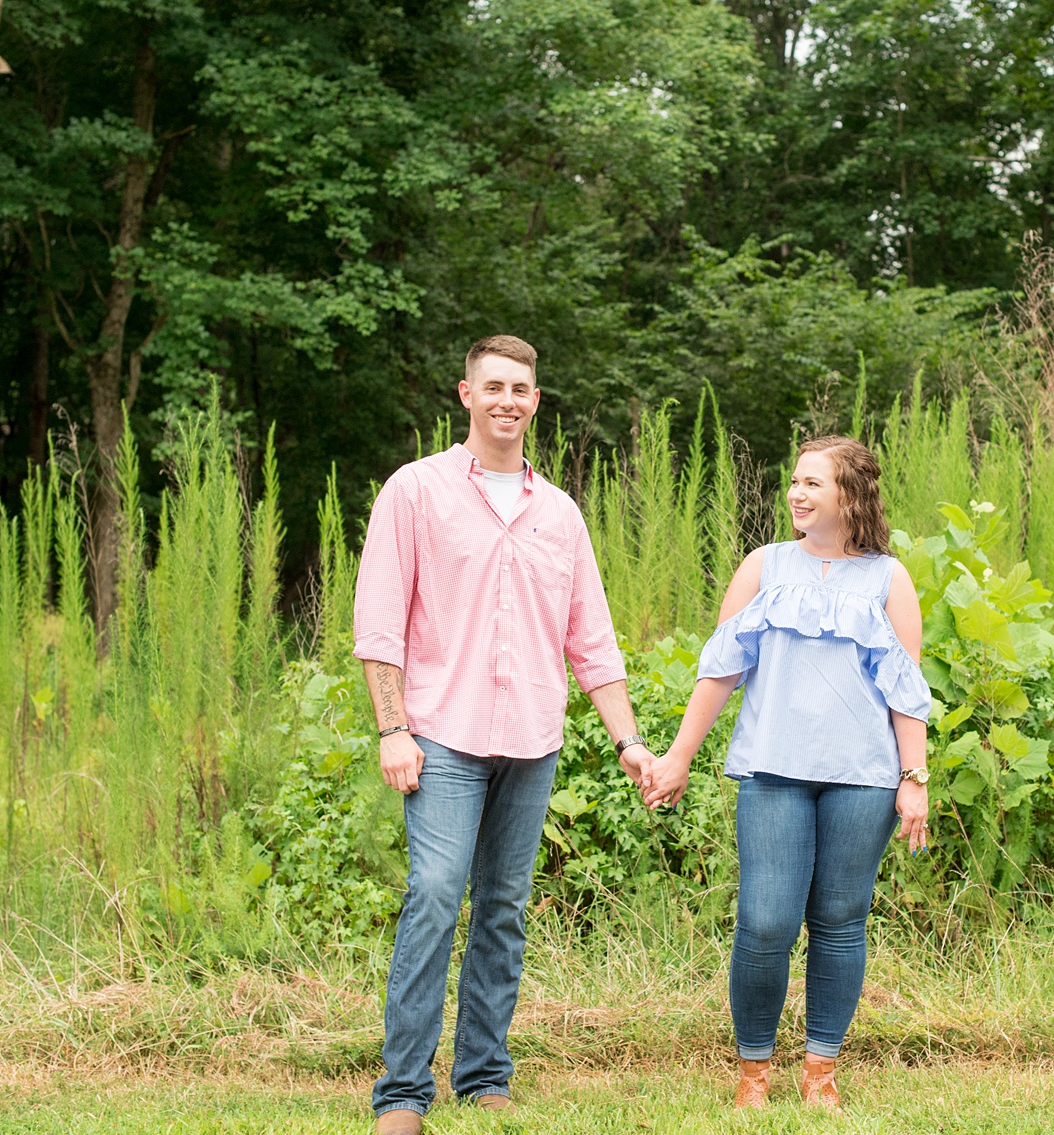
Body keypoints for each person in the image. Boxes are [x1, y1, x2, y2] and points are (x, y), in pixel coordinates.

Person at [353, 335, 655, 1134]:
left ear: (535, 400)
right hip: (441, 735)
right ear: (465, 393)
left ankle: (484, 1071)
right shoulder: (414, 492)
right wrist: (393, 729)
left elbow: (592, 641)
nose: (507, 400)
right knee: (433, 895)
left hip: (532, 740)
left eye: (521, 388)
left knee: (504, 908)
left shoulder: (558, 513)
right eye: (493, 386)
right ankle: (403, 1091)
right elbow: (379, 626)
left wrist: (629, 742)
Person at [642, 434, 932, 1113]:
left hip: (862, 777)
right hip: (774, 768)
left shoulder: (889, 578)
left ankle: (821, 1070)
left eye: (812, 483)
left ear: (849, 495)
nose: (796, 494)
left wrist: (913, 776)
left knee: (839, 918)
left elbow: (904, 687)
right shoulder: (764, 567)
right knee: (766, 919)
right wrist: (679, 754)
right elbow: (721, 668)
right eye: (794, 481)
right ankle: (753, 1072)